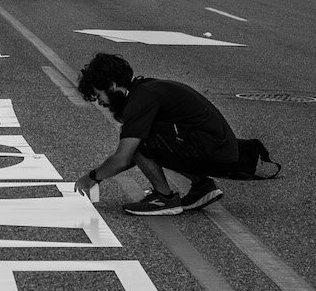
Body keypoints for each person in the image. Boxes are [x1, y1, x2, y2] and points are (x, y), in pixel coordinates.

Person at [71, 53, 242, 216]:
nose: (100, 102)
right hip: (220, 149)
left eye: (99, 94)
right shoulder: (143, 90)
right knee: (145, 140)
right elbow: (138, 158)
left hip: (215, 151)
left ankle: (164, 199)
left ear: (112, 85)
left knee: (139, 142)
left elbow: (124, 157)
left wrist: (92, 177)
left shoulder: (139, 100)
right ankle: (202, 186)